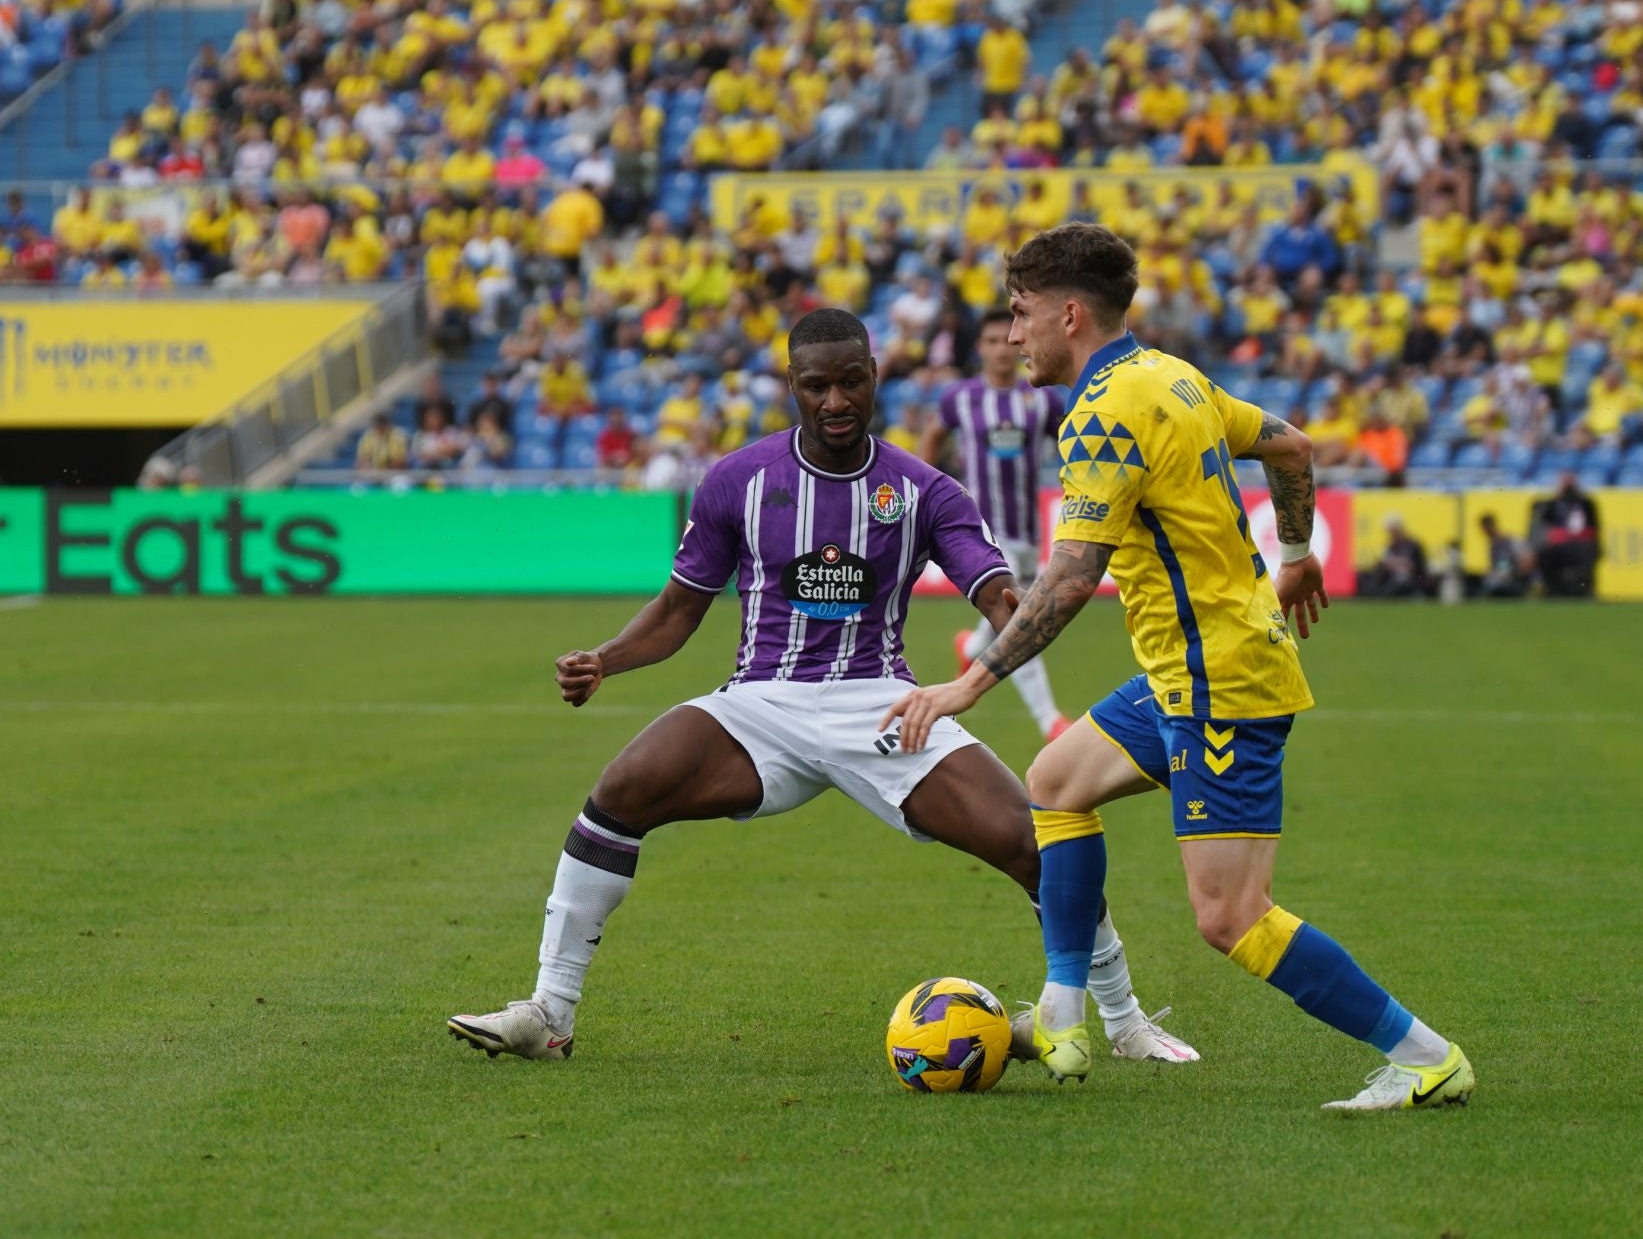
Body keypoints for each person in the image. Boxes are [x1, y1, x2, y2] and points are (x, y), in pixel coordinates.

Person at [448, 308, 1194, 1066]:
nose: (836, 400)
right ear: (792, 388)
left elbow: (994, 588)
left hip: (881, 704)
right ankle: (550, 1011)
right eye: (817, 386)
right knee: (622, 790)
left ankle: (1126, 1023)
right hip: (758, 705)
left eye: (851, 382)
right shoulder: (737, 481)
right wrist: (605, 660)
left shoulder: (924, 490)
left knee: (1032, 842)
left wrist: (1008, 615)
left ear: (875, 377)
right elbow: (679, 609)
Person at [883, 226, 1472, 1110]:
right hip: (1187, 673)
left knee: (1231, 917)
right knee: (1055, 783)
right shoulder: (1171, 375)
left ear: (1069, 314)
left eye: (1021, 315)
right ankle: (1064, 1017)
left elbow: (1074, 575)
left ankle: (1426, 1056)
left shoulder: (1102, 413)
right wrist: (1300, 550)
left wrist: (969, 682)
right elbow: (1292, 446)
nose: (1013, 337)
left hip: (1219, 683)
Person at [920, 307, 1070, 741]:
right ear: (979, 349)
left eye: (1006, 339)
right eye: (989, 341)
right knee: (1016, 615)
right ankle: (1050, 721)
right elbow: (933, 438)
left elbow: (1068, 443)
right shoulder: (960, 398)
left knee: (1007, 609)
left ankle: (969, 648)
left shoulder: (1042, 399)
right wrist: (925, 492)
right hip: (979, 528)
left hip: (1026, 527)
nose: (1000, 350)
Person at [1530, 471, 1600, 597]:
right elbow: (1543, 524)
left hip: (1581, 544)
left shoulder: (1586, 503)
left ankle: (1583, 589)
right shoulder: (1553, 504)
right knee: (1545, 554)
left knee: (1586, 552)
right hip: (1561, 545)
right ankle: (1551, 588)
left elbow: (1594, 528)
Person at [1358, 514, 1432, 598]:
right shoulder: (1390, 546)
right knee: (1369, 582)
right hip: (1391, 579)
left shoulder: (1413, 546)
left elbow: (1419, 568)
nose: (1390, 534)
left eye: (1392, 531)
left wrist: (1398, 565)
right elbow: (1382, 565)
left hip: (1408, 581)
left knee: (1393, 588)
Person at [1475, 513, 1532, 599]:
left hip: (1513, 580)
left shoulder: (1509, 542)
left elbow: (1527, 558)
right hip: (1502, 579)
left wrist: (1517, 572)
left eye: (1484, 528)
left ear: (1489, 526)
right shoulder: (1493, 545)